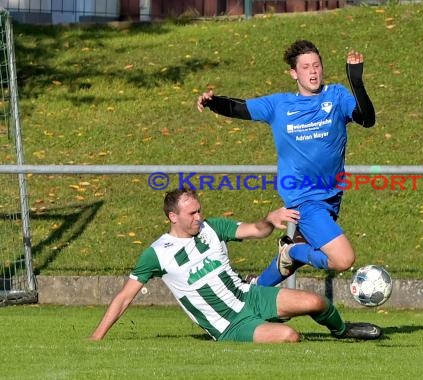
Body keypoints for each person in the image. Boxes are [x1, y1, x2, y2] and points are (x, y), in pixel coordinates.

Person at [90, 188, 382, 343]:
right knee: (289, 337)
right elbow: (125, 296)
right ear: (172, 217)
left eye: (199, 209)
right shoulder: (157, 253)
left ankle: (343, 331)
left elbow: (255, 230)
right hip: (229, 324)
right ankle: (268, 326)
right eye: (191, 213)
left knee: (316, 302)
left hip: (250, 296)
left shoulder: (212, 227)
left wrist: (269, 219)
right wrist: (97, 336)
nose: (198, 216)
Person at [197, 40, 376, 286]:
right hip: (305, 199)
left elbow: (367, 120)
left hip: (332, 196)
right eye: (305, 67)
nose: (312, 71)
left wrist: (355, 81)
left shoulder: (336, 96)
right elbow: (239, 108)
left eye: (316, 65)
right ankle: (289, 250)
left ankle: (253, 290)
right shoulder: (279, 105)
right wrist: (212, 102)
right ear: (294, 73)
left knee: (301, 257)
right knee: (342, 259)